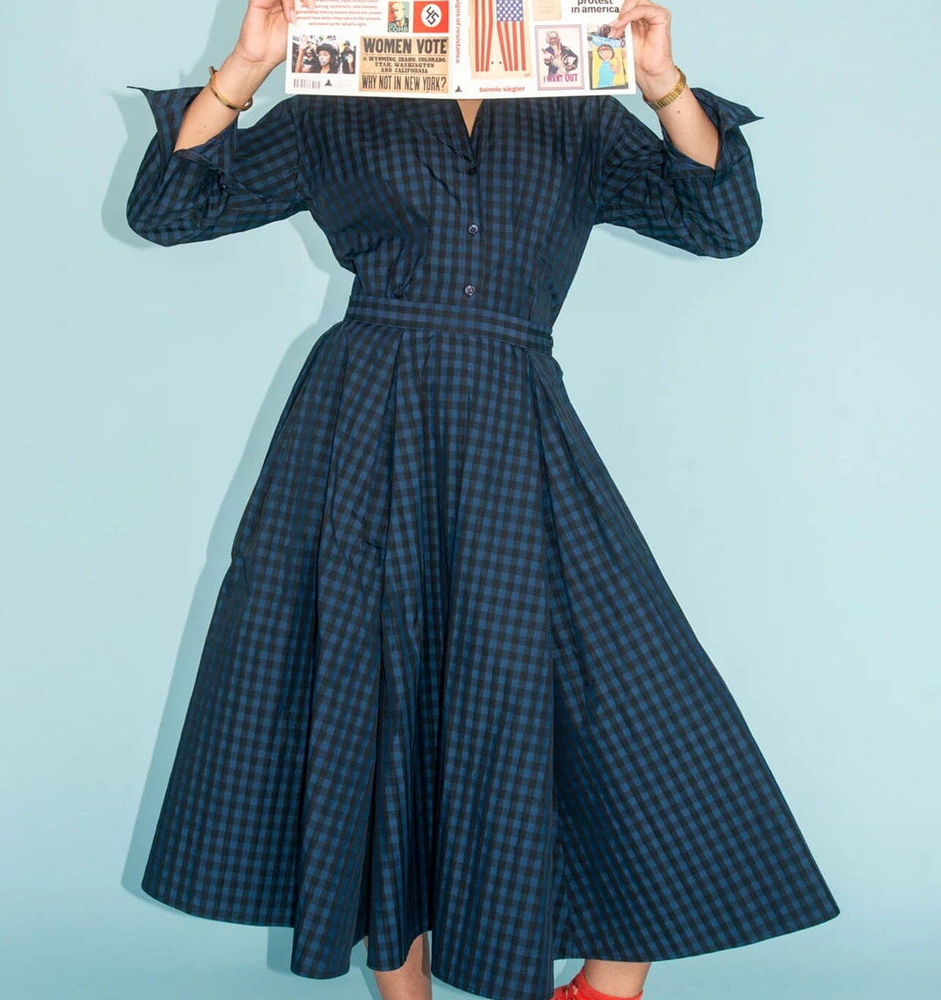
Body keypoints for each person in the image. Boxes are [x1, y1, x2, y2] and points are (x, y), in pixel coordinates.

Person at [125, 2, 840, 1000]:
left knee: (623, 683)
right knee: (377, 701)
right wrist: (245, 67)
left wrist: (659, 82)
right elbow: (170, 209)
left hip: (513, 414)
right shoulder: (343, 91)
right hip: (365, 421)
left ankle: (604, 977)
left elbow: (722, 222)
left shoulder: (570, 103)